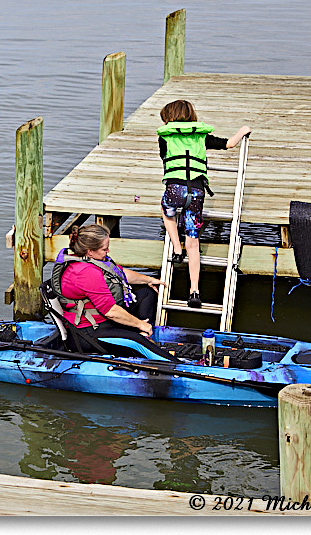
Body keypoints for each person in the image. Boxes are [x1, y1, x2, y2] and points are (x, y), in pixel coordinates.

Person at [157, 99, 251, 308]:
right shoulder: (201, 136)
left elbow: (164, 158)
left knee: (167, 211)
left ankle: (176, 248)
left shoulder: (165, 138)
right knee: (194, 241)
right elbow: (229, 144)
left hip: (175, 189)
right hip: (197, 192)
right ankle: (194, 291)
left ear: (169, 119)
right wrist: (243, 130)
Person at [49, 223, 164, 356]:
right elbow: (110, 311)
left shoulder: (91, 260)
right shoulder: (85, 273)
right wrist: (139, 324)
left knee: (146, 294)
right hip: (88, 332)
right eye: (104, 249)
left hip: (103, 319)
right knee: (137, 342)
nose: (108, 251)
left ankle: (144, 335)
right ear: (90, 251)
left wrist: (150, 280)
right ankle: (177, 368)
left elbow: (119, 274)